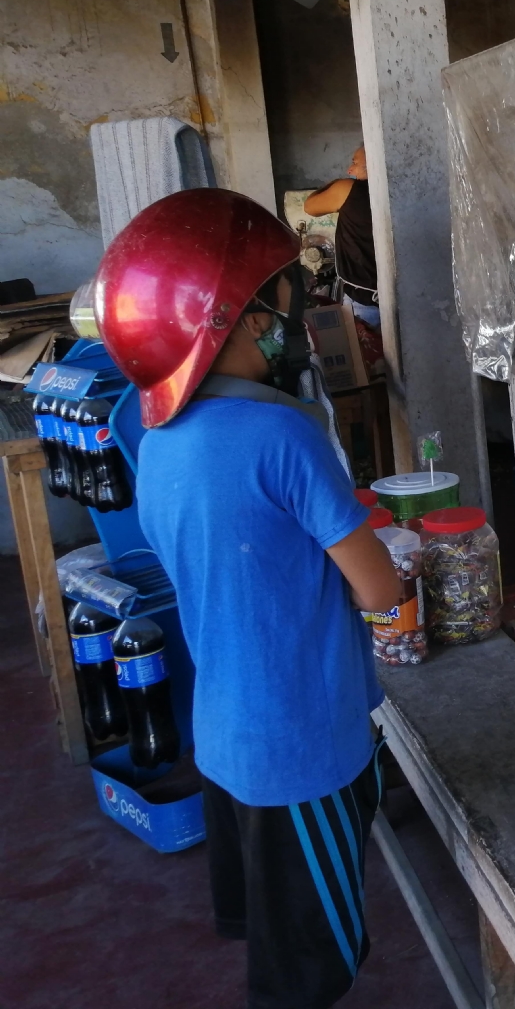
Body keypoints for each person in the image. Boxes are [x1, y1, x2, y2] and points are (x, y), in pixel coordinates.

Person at [94, 189, 401, 1009]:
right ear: (225, 316)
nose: (290, 312)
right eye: (277, 294)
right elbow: (379, 586)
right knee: (306, 974)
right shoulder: (284, 436)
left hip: (226, 741)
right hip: (304, 746)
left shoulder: (152, 443)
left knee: (272, 937)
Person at [304, 145, 380, 328]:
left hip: (363, 303)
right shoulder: (405, 190)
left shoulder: (347, 189)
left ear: (373, 164)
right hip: (409, 301)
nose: (350, 169)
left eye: (354, 163)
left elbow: (309, 206)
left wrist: (336, 182)